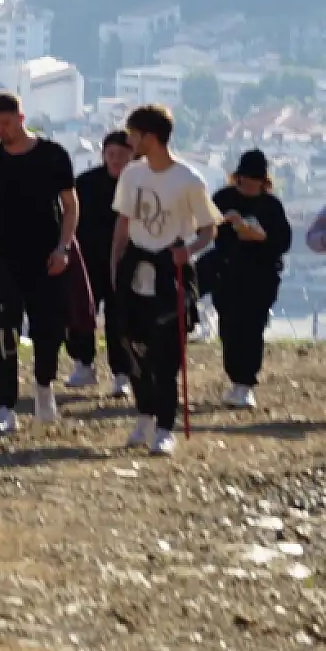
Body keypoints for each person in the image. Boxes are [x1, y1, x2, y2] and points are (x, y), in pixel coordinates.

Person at [110, 104, 219, 457]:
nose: (129, 142)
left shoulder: (189, 179)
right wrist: (115, 266)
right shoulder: (132, 175)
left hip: (170, 271)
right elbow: (123, 223)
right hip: (135, 269)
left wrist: (188, 251)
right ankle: (144, 415)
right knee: (133, 346)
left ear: (150, 138)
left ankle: (165, 427)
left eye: (134, 135)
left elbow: (208, 229)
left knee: (166, 354)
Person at [0, 92, 79, 434]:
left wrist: (64, 248)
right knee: (2, 330)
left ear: (21, 117)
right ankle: (5, 405)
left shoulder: (53, 156)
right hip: (3, 257)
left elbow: (71, 207)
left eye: (5, 122)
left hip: (46, 255)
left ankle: (44, 387)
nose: (0, 130)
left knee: (48, 327)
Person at [207, 149, 291, 409]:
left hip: (260, 277)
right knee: (229, 328)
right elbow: (206, 229)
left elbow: (283, 241)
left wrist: (261, 237)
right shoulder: (222, 198)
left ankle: (246, 384)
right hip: (227, 275)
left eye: (254, 179)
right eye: (244, 177)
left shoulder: (272, 206)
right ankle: (235, 378)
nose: (249, 183)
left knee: (252, 328)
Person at [67, 131, 134, 396]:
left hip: (125, 261)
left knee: (121, 320)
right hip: (88, 260)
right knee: (80, 313)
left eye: (122, 155)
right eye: (111, 154)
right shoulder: (85, 183)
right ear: (104, 154)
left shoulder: (137, 184)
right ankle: (83, 364)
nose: (116, 160)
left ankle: (122, 373)